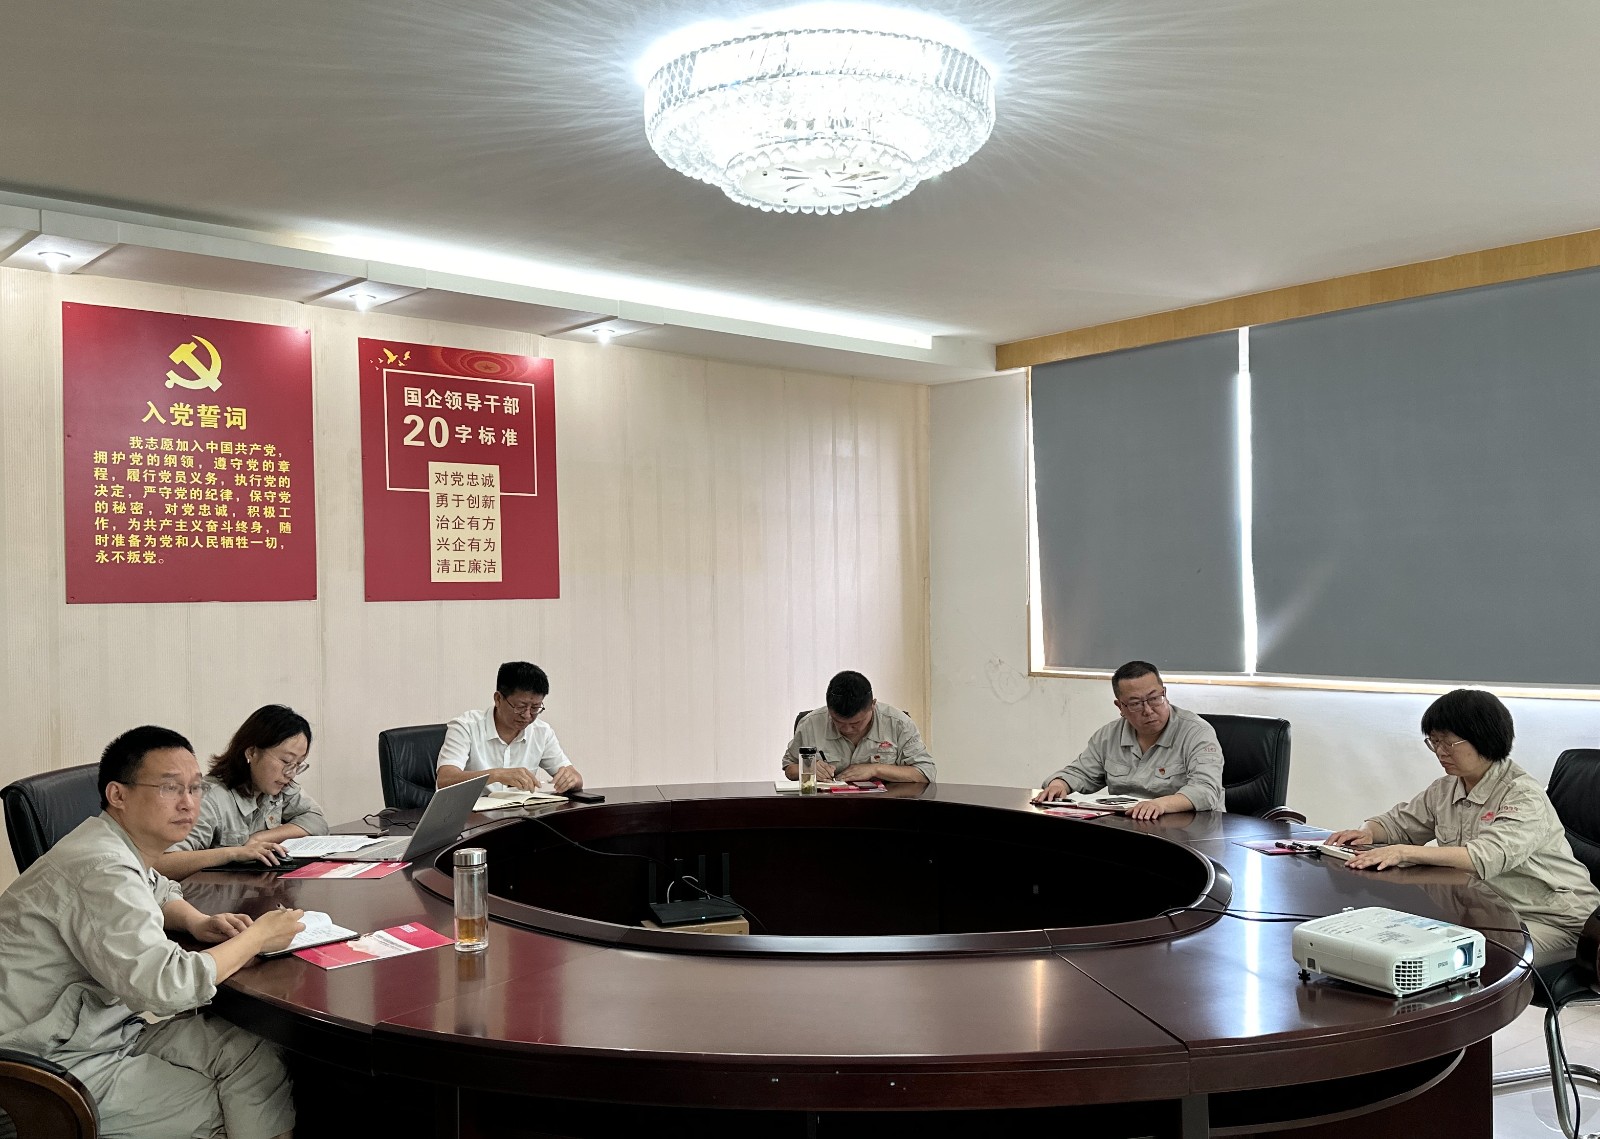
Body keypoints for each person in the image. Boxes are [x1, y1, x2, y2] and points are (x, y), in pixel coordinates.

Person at [0, 725, 305, 1139]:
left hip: (102, 1031)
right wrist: (257, 938)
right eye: (169, 788)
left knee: (254, 1050)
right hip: (42, 1070)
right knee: (223, 1107)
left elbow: (159, 889)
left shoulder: (114, 843)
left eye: (195, 788)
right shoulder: (101, 868)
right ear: (118, 795)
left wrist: (197, 922)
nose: (188, 803)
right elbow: (166, 987)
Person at [1327, 688, 1600, 967]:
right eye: (1434, 742)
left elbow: (1484, 856)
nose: (1440, 752)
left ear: (1484, 738)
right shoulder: (1446, 788)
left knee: (1467, 958)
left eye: (1448, 743)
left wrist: (1402, 852)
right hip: (1490, 914)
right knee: (1399, 939)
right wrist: (1368, 831)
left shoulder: (1522, 795)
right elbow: (1399, 823)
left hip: (1556, 923)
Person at [156, 704, 329, 878]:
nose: (290, 773)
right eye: (286, 761)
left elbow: (317, 821)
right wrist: (234, 853)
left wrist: (261, 838)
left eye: (298, 764)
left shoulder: (279, 786)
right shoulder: (210, 799)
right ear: (252, 752)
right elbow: (161, 864)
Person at [1036, 661, 1224, 820]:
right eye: (1135, 704)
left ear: (1164, 693)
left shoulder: (1197, 732)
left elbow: (1206, 789)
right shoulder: (1109, 736)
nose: (1148, 710)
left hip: (1191, 830)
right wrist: (1059, 784)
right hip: (1131, 825)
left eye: (1154, 698)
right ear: (1120, 706)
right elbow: (1081, 772)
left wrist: (1160, 804)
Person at [437, 661, 583, 792]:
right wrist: (496, 775)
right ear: (498, 699)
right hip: (473, 812)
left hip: (519, 811)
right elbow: (445, 779)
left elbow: (575, 777)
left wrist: (572, 780)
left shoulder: (542, 732)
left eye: (535, 708)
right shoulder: (466, 727)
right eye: (520, 706)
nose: (527, 715)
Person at [782, 671, 934, 783]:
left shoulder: (898, 723)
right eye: (838, 721)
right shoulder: (811, 724)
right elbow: (790, 767)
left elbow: (926, 772)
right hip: (827, 807)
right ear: (829, 708)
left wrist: (876, 769)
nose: (847, 729)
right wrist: (809, 768)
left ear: (872, 705)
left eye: (856, 723)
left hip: (884, 808)